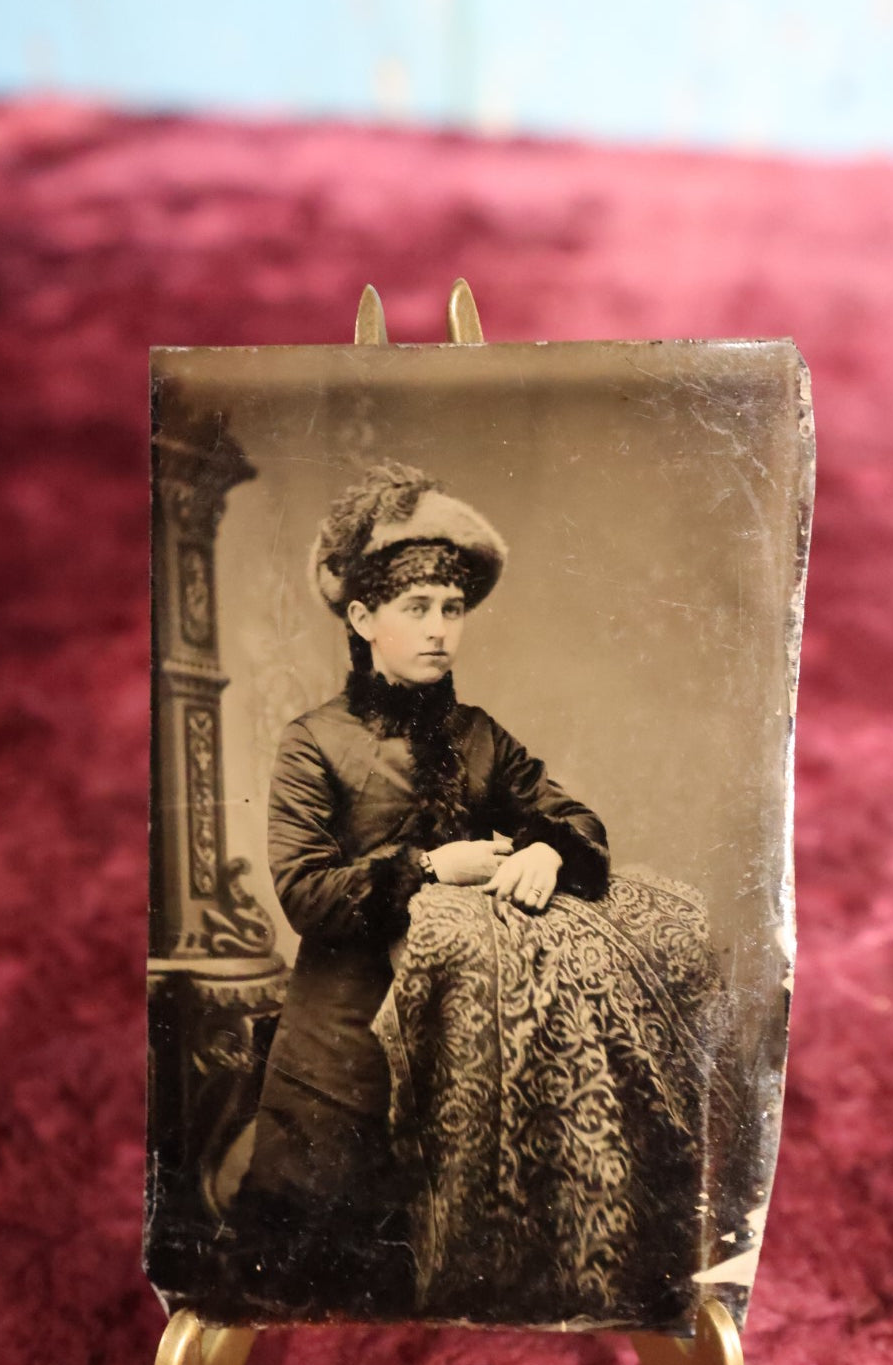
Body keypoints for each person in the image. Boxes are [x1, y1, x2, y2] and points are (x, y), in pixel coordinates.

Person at [232, 461, 611, 1316]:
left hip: (457, 1058)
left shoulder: (480, 739)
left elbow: (577, 818)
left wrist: (550, 850)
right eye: (417, 608)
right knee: (300, 1283)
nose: (441, 629)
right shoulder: (314, 743)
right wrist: (433, 868)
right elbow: (306, 894)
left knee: (435, 1289)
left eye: (452, 608)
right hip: (337, 1061)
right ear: (363, 619)